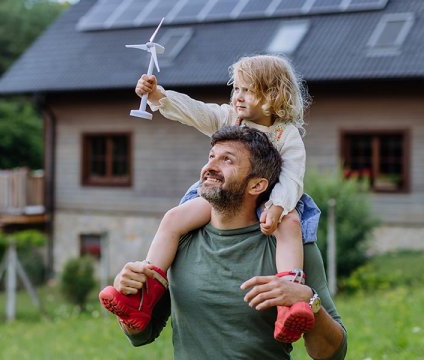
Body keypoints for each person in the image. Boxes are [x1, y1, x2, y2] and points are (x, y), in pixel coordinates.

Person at [100, 54, 321, 342]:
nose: (238, 96)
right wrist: (158, 95)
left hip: (271, 198)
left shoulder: (286, 134)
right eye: (236, 88)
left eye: (248, 90)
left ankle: (289, 303)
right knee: (174, 218)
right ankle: (144, 294)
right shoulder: (229, 117)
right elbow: (196, 111)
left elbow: (292, 175)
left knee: (290, 225)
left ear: (272, 95)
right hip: (226, 194)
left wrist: (277, 205)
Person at [109, 126, 347, 359]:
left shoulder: (290, 247)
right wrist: (129, 289)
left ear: (257, 185)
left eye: (227, 160)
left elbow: (333, 353)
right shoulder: (181, 238)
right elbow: (141, 335)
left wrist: (307, 299)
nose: (210, 167)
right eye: (211, 156)